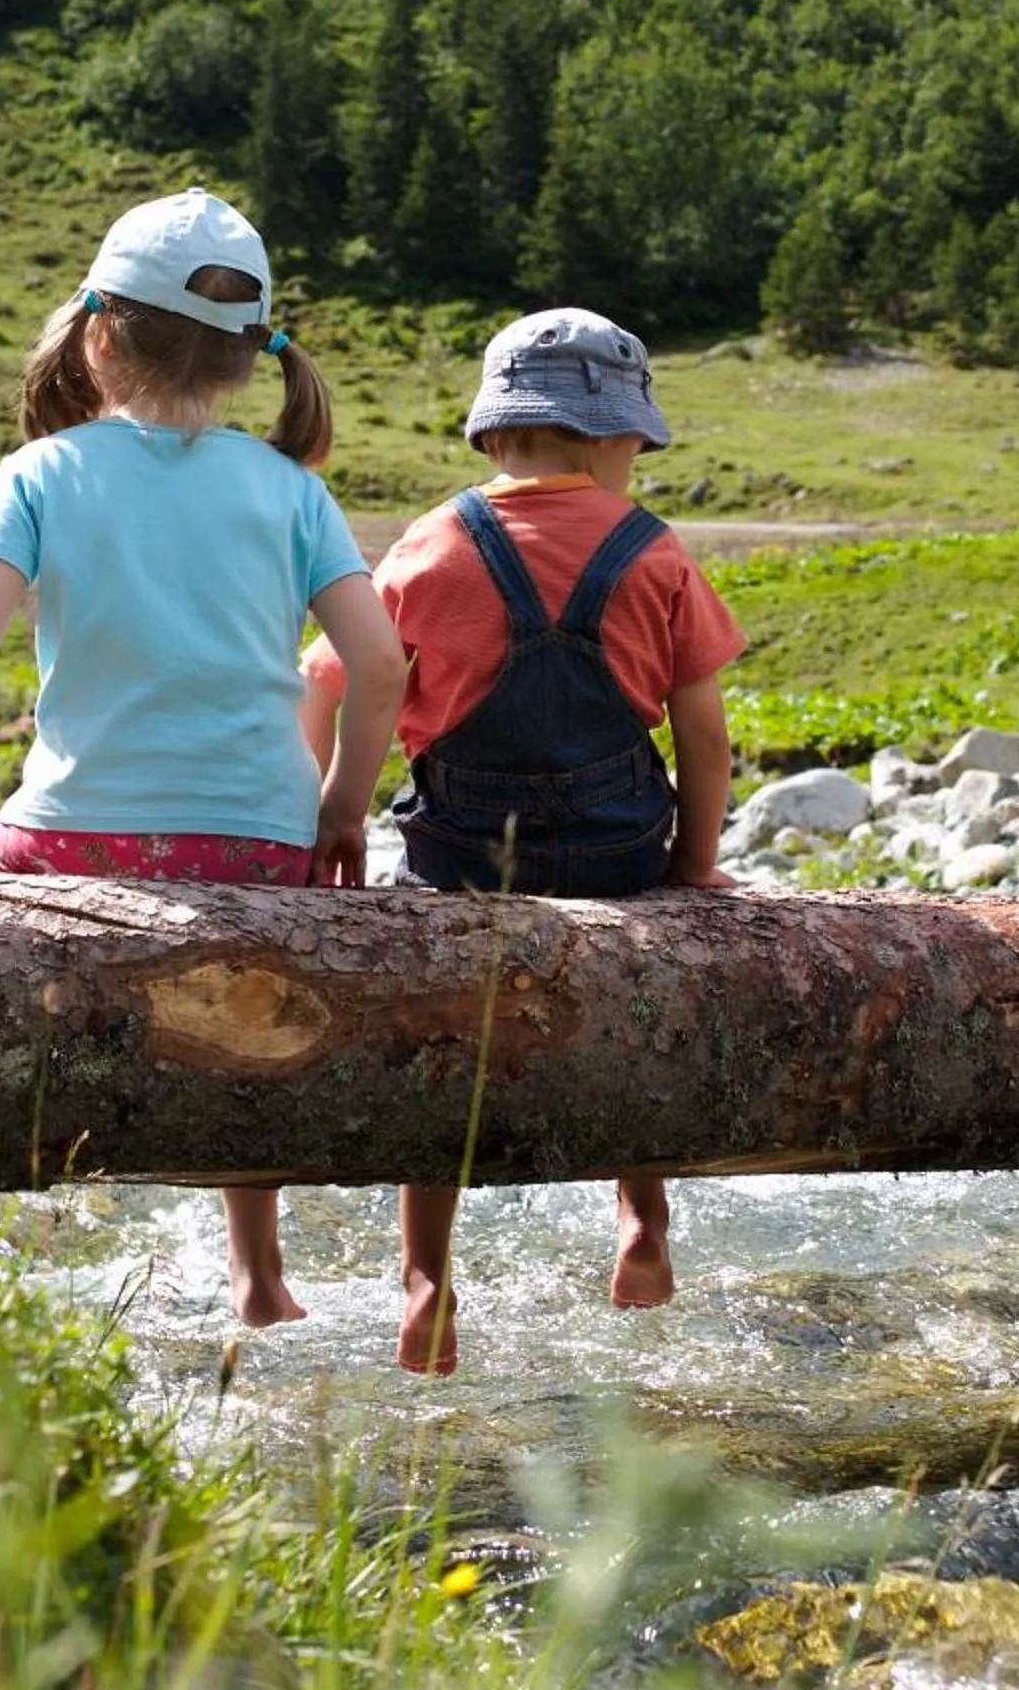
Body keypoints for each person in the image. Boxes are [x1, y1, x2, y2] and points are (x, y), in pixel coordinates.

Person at [0, 187, 405, 1329]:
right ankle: (259, 1275)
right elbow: (377, 666)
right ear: (246, 358)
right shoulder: (293, 490)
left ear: (97, 335)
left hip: (72, 838)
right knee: (247, 1049)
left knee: (4, 1043)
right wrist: (336, 811)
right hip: (262, 843)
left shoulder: (41, 472)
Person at [303, 305, 745, 1377]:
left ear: (498, 435)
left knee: (445, 1055)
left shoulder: (432, 544)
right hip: (619, 854)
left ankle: (427, 1285)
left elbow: (327, 688)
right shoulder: (655, 555)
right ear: (604, 440)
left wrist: (330, 814)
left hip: (459, 853)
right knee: (636, 1027)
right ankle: (642, 1220)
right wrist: (690, 870)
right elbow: (705, 741)